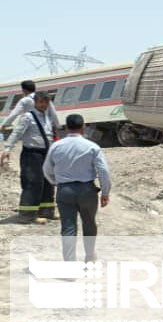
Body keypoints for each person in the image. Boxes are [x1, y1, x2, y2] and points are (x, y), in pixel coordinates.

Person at [42, 114, 110, 262]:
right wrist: (105, 192)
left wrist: (57, 183)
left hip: (64, 191)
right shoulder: (92, 147)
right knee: (89, 223)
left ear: (66, 128)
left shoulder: (56, 146)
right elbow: (103, 171)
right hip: (87, 191)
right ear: (83, 127)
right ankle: (90, 256)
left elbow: (46, 169)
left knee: (68, 227)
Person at [1, 93, 56, 224]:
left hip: (46, 154)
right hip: (32, 155)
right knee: (33, 183)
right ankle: (28, 215)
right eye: (41, 102)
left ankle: (47, 211)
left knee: (48, 182)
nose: (44, 105)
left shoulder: (47, 117)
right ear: (35, 103)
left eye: (46, 102)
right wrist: (7, 148)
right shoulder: (27, 117)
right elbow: (17, 133)